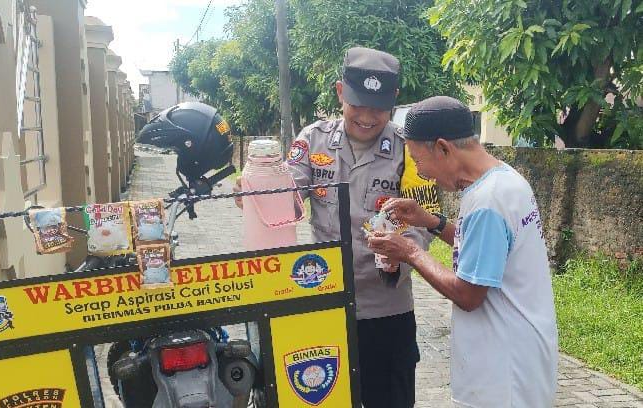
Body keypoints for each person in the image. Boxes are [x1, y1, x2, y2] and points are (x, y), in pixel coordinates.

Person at [235, 47, 435, 407]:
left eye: (379, 108)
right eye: (358, 104)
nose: (367, 117)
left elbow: (423, 221)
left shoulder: (410, 149)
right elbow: (287, 199)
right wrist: (255, 192)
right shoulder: (313, 140)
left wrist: (402, 253)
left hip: (386, 309)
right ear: (340, 92)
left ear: (393, 100)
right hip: (324, 302)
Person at [368, 96, 559, 407]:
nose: (422, 173)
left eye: (418, 160)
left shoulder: (487, 202)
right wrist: (430, 221)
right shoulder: (505, 180)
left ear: (443, 148)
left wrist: (410, 251)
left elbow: (468, 294)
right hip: (520, 359)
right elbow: (484, 248)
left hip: (501, 376)